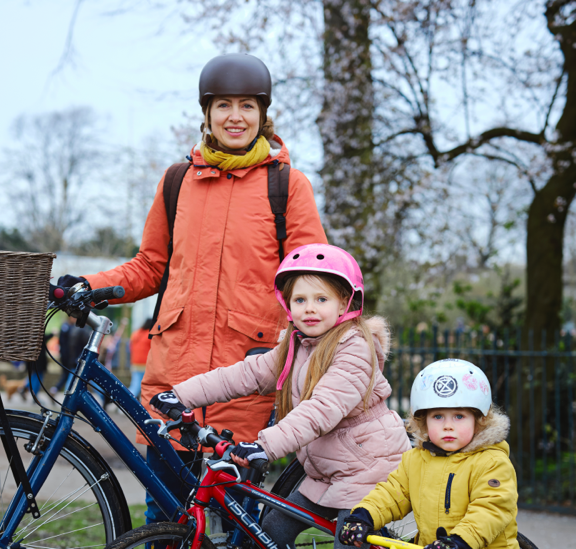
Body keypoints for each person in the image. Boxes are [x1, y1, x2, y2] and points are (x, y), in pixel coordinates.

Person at [58, 53, 327, 523]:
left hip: (247, 380)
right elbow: (149, 266)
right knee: (162, 520)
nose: (235, 117)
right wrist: (89, 285)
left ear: (264, 114)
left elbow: (314, 279)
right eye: (223, 105)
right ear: (206, 113)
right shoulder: (177, 181)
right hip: (173, 379)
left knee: (237, 520)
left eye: (247, 105)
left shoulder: (287, 185)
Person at [151, 244, 411, 547]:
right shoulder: (297, 345)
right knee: (271, 529)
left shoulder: (355, 349)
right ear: (288, 305)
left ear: (344, 304)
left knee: (349, 541)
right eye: (300, 299)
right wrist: (181, 395)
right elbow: (246, 374)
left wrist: (265, 445)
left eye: (321, 299)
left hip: (368, 473)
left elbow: (322, 409)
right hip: (327, 474)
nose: (309, 308)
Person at [339, 359, 518, 549]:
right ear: (424, 421)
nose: (448, 426)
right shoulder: (415, 460)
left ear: (479, 419)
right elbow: (392, 494)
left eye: (459, 416)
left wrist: (460, 541)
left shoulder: (492, 462)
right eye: (438, 416)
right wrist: (363, 516)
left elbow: (491, 510)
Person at [128, 318, 153, 397]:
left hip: (135, 363)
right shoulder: (150, 334)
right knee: (146, 387)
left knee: (135, 385)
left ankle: (124, 401)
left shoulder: (135, 333)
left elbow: (130, 348)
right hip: (145, 364)